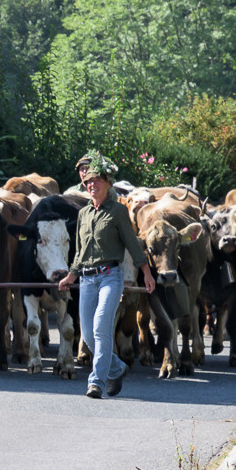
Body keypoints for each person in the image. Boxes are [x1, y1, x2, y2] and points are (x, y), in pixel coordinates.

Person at [58, 152, 147, 400]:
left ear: (108, 183)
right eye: (88, 182)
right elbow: (80, 251)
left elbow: (132, 244)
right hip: (86, 279)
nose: (92, 185)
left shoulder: (118, 211)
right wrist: (70, 277)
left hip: (110, 276)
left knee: (100, 328)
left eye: (97, 181)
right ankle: (117, 368)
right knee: (87, 334)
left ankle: (96, 381)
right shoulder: (83, 214)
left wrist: (147, 274)